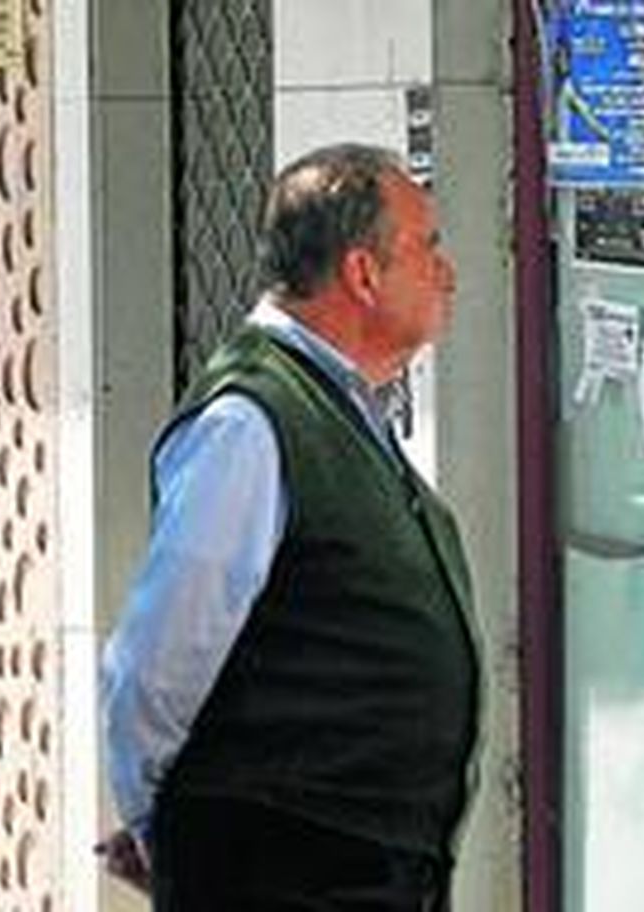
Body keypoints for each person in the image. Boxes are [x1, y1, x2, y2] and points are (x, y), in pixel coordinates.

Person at [97, 143, 481, 911]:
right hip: (287, 872)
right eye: (427, 246)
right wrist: (159, 826)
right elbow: (159, 656)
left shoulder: (339, 405)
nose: (447, 271)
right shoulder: (251, 419)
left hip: (364, 869)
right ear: (362, 273)